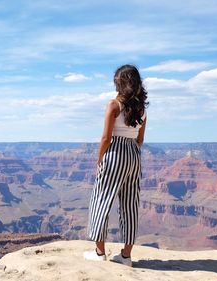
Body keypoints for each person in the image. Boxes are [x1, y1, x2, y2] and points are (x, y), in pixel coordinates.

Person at [83, 64, 148, 267]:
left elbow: (106, 137)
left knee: (101, 200)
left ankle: (99, 252)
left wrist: (100, 159)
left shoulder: (113, 105)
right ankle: (126, 256)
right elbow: (140, 139)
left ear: (120, 83)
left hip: (115, 152)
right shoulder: (141, 109)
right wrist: (131, 155)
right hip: (133, 154)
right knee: (130, 204)